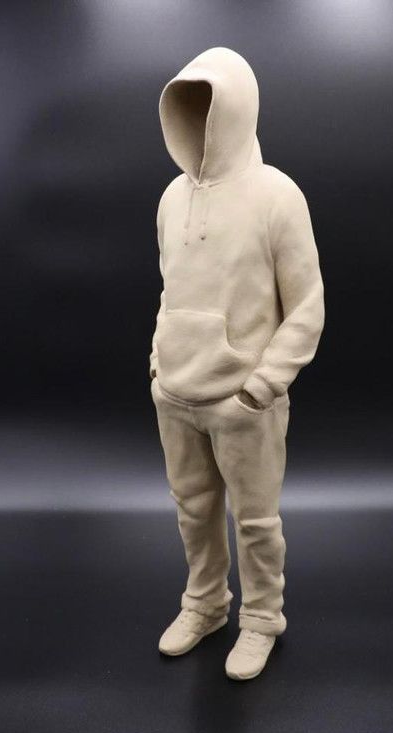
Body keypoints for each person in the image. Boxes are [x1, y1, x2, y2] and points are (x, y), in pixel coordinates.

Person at [149, 46, 324, 680]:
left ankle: (262, 619)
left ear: (238, 107)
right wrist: (158, 367)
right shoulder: (172, 198)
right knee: (193, 511)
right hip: (176, 396)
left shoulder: (277, 195)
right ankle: (205, 605)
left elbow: (307, 306)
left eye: (209, 103)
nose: (198, 117)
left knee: (254, 522)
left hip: (242, 404)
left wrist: (261, 387)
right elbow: (170, 291)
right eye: (187, 104)